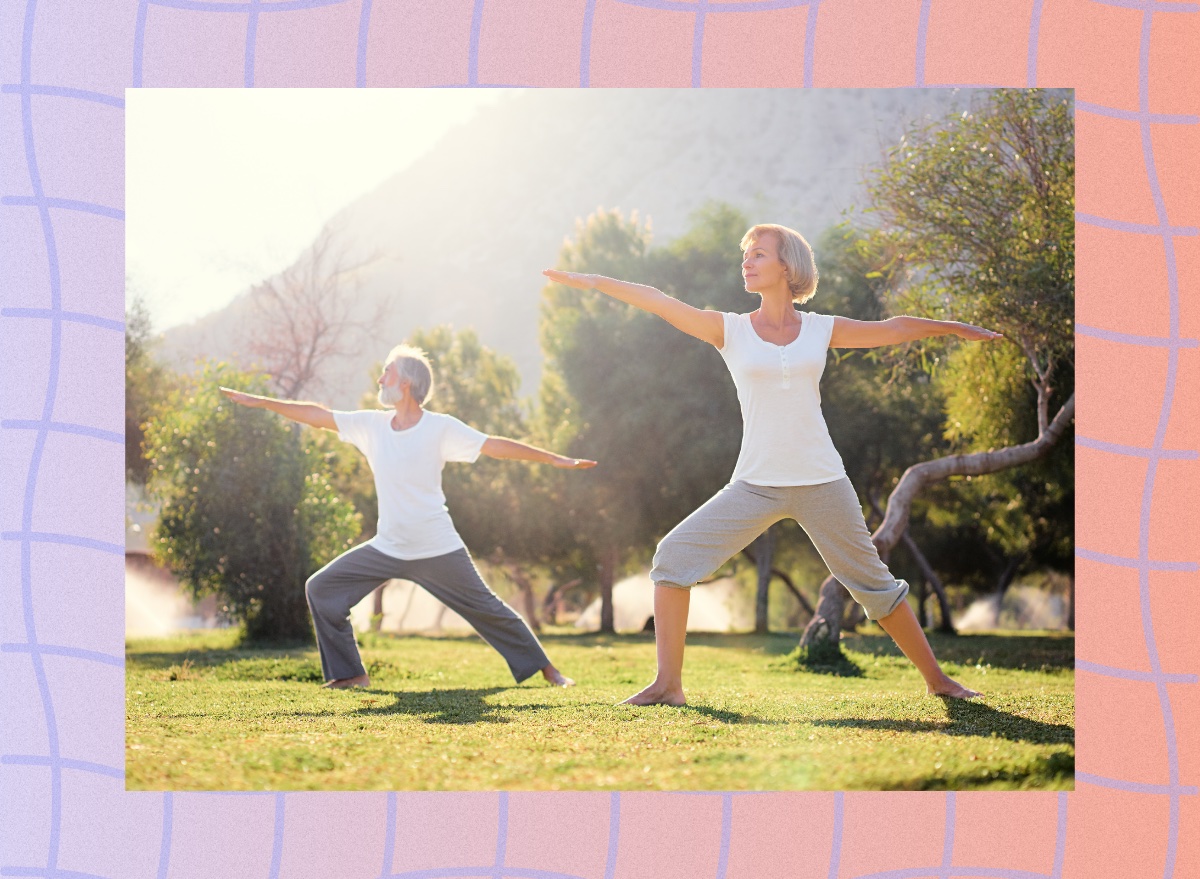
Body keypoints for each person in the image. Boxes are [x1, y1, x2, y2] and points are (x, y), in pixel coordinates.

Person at [544, 223, 1001, 706]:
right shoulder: (731, 330)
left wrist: (951, 328)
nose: (747, 262)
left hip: (822, 480)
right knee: (673, 560)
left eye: (758, 254)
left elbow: (894, 329)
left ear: (787, 266)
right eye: (746, 254)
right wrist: (594, 282)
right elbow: (658, 300)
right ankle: (668, 685)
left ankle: (939, 681)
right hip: (755, 483)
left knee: (874, 586)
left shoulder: (822, 329)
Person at [220, 344, 595, 689]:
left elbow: (494, 446)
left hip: (436, 547)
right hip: (388, 546)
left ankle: (550, 671)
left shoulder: (440, 427)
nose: (381, 378)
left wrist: (554, 459)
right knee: (321, 589)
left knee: (487, 608)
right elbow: (318, 416)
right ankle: (350, 674)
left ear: (408, 382)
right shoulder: (372, 425)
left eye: (388, 372)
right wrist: (262, 403)